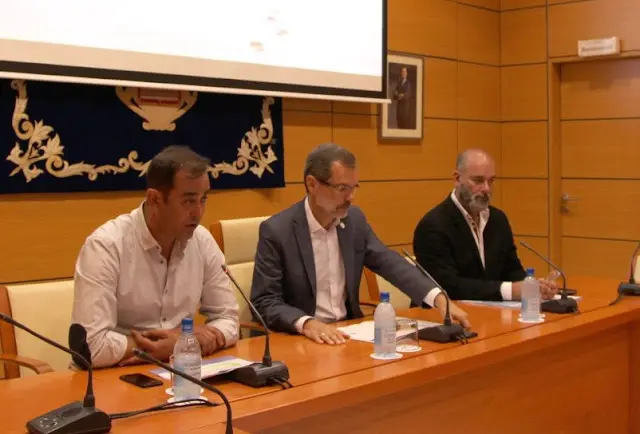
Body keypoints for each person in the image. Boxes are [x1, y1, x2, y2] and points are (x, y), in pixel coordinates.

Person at [250, 143, 470, 344]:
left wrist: (437, 297)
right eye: (342, 188)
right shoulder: (277, 231)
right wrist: (306, 323)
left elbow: (389, 262)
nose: (351, 197)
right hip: (301, 339)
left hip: (349, 335)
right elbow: (265, 301)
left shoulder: (354, 220)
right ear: (312, 184)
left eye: (354, 187)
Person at [71, 145, 239, 368]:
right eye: (188, 201)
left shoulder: (202, 241)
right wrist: (175, 344)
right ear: (155, 199)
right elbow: (91, 346)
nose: (198, 212)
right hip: (110, 374)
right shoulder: (106, 246)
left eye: (203, 199)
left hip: (177, 370)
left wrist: (187, 342)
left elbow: (229, 318)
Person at [412, 149, 558, 302]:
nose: (486, 188)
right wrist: (510, 290)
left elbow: (511, 270)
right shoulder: (433, 226)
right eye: (478, 181)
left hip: (492, 311)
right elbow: (448, 286)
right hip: (445, 313)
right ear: (457, 179)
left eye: (491, 181)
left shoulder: (497, 219)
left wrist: (532, 287)